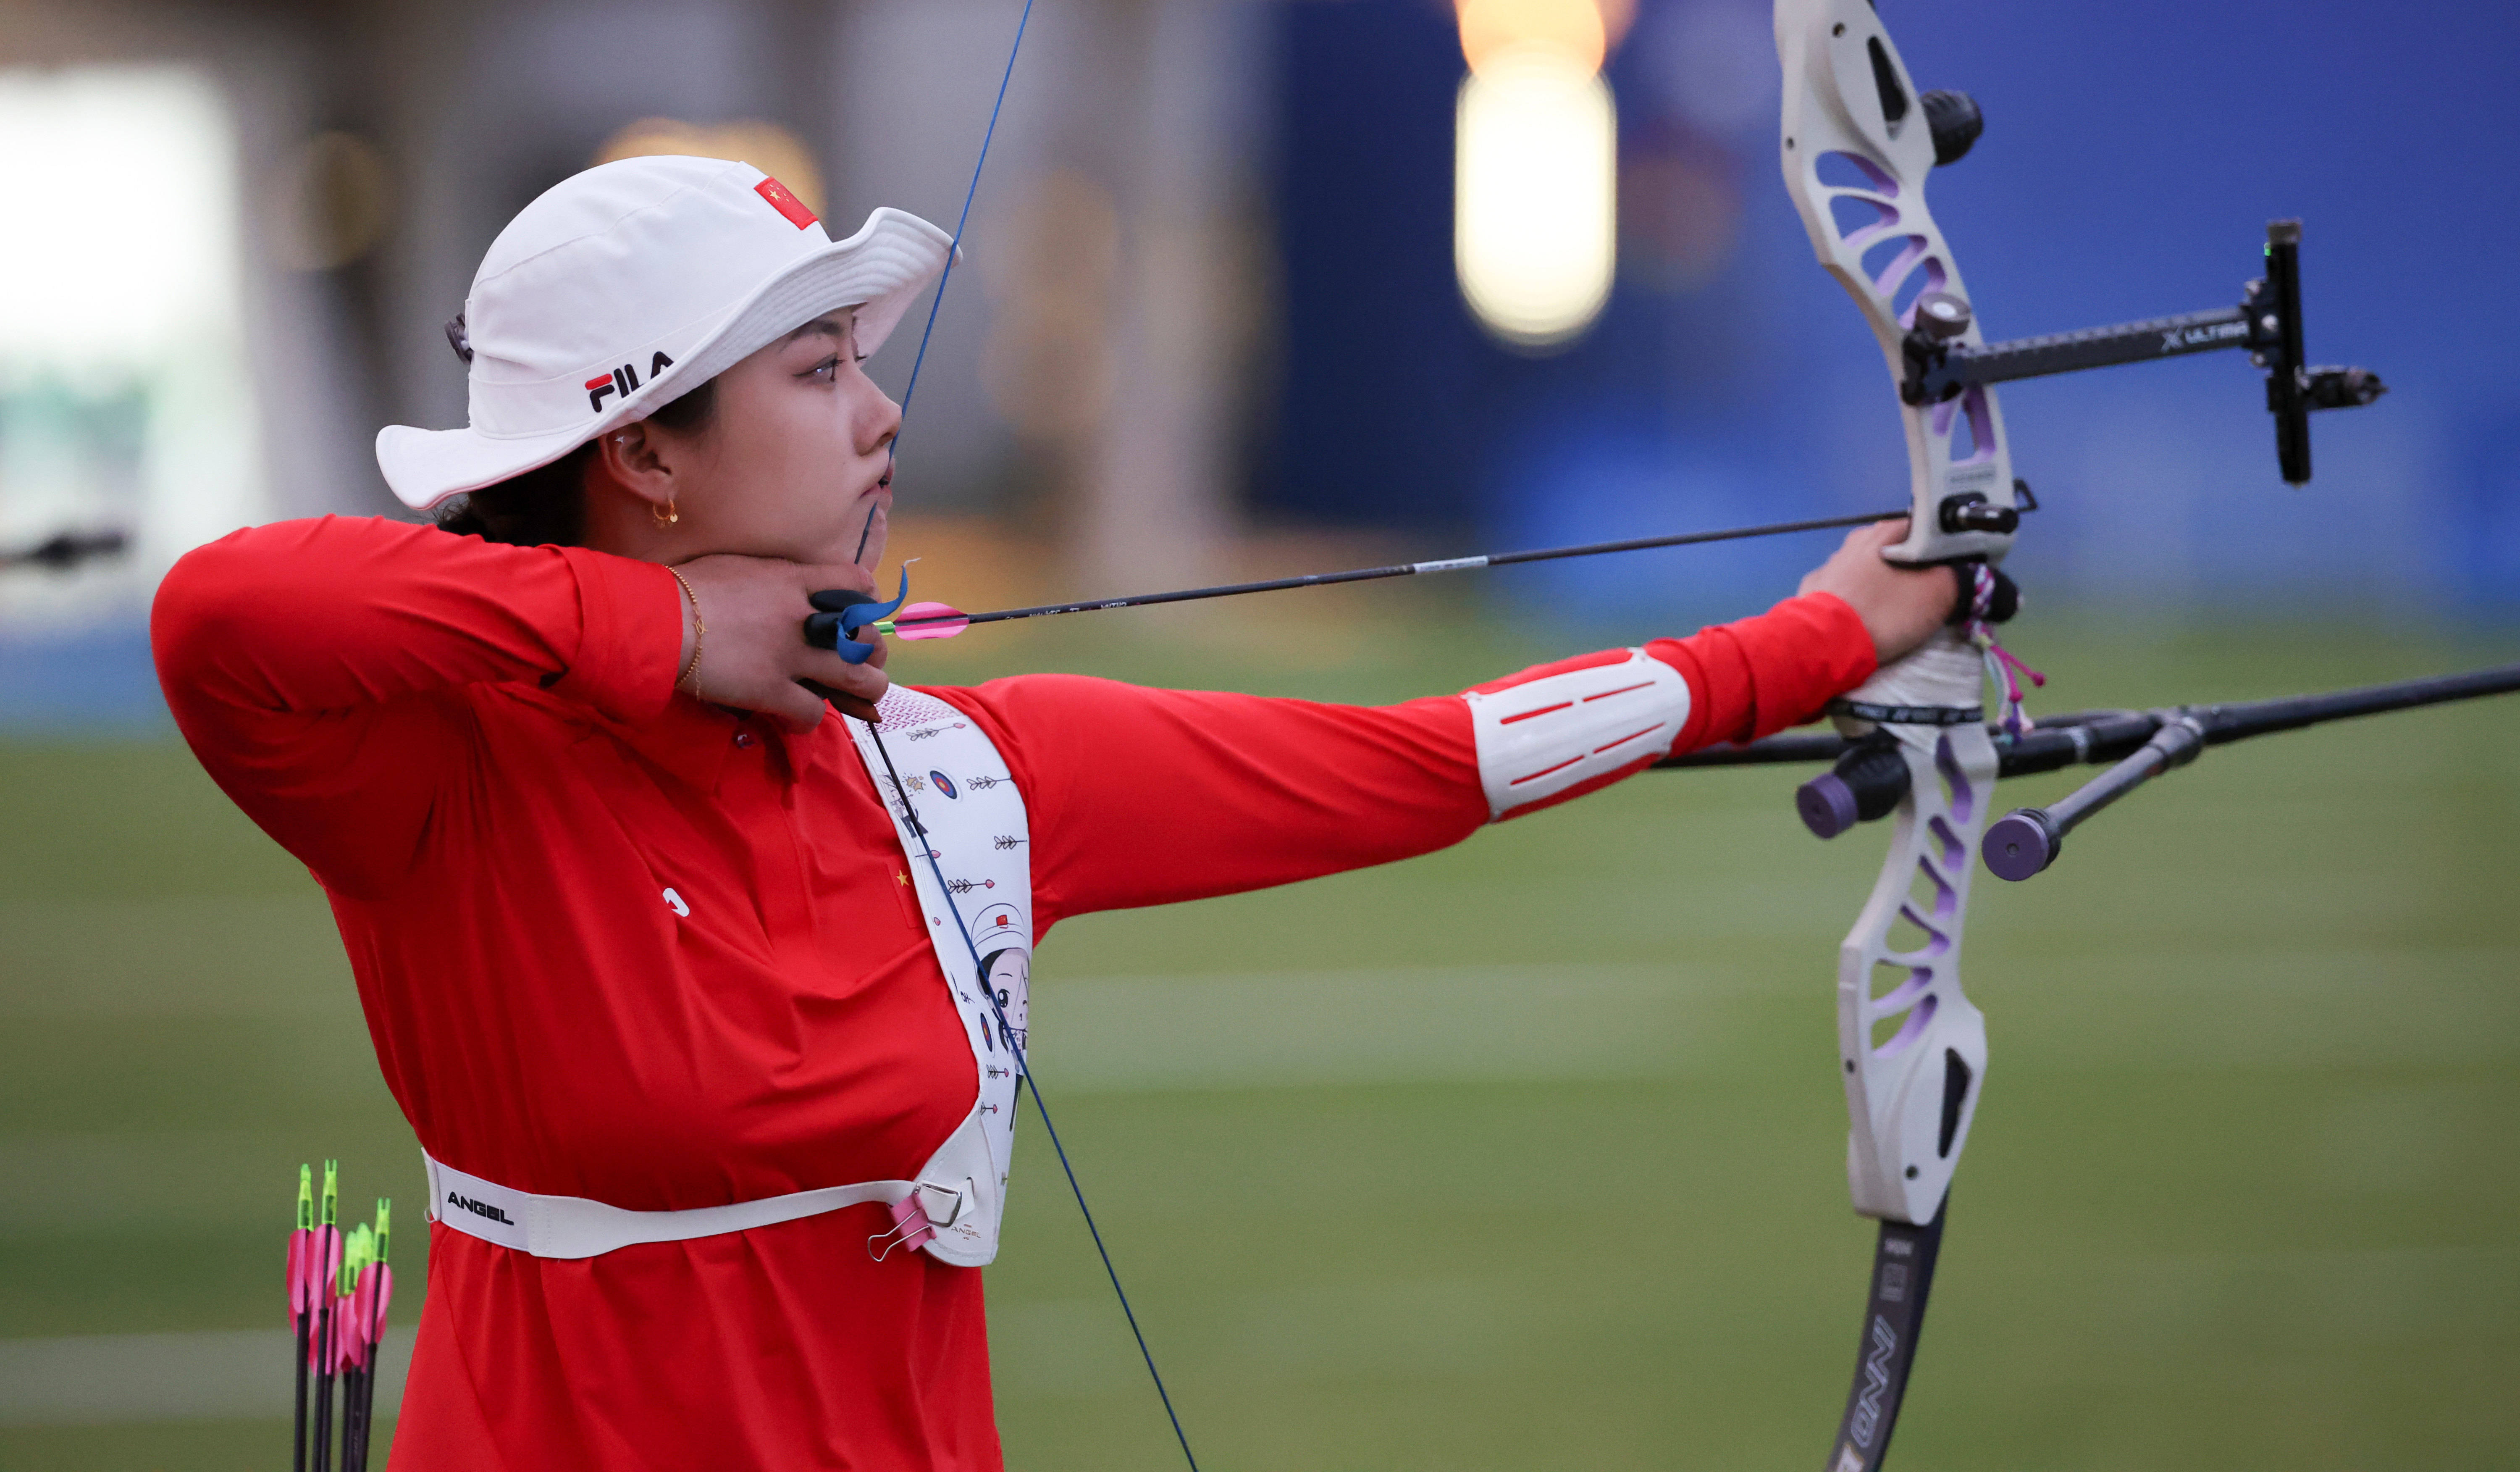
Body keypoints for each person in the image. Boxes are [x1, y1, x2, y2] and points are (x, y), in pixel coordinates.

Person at [151, 155, 1955, 1470]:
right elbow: (221, 612)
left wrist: (1817, 637)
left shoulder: (971, 776)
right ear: (643, 453)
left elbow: (1435, 761)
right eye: (818, 371)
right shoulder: (444, 777)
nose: (884, 414)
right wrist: (671, 632)